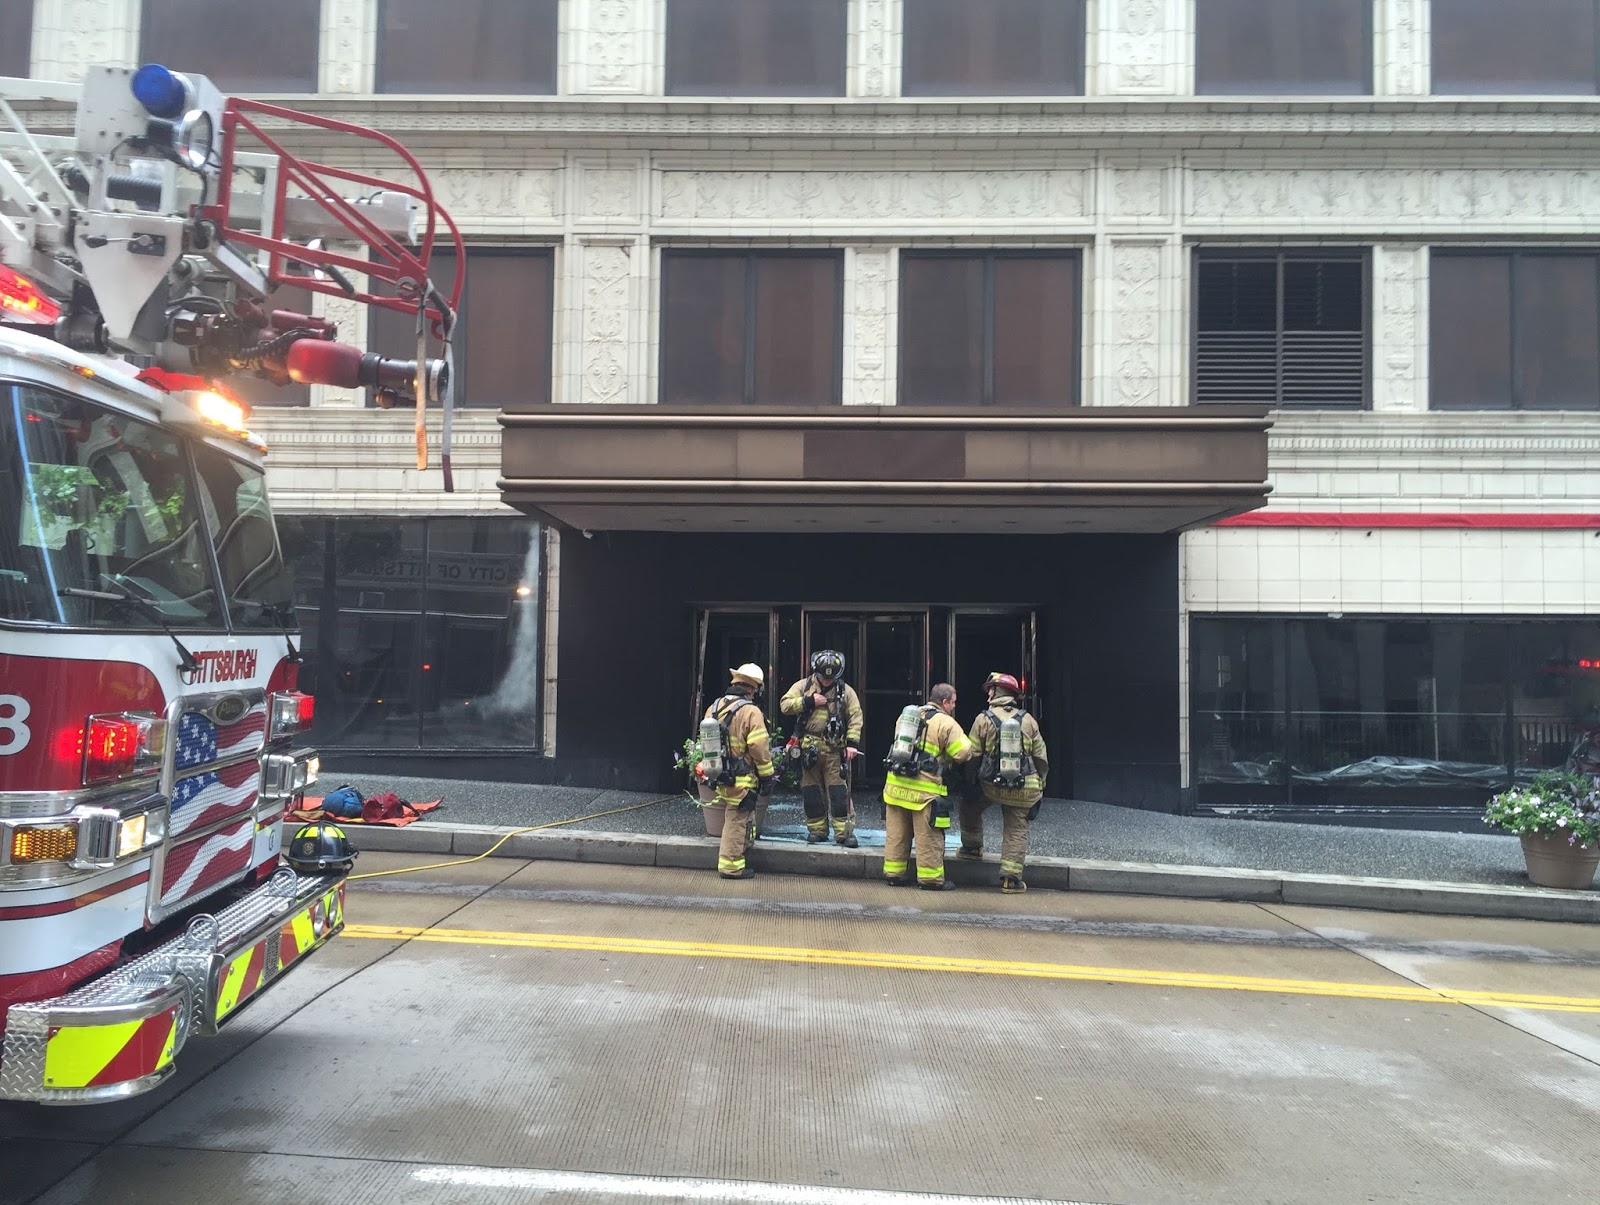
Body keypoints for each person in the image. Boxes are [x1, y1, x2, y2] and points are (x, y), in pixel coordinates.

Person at [959, 672, 1049, 894]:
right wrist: (1041, 782)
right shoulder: (1028, 720)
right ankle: (1011, 879)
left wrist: (970, 781)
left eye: (990, 689)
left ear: (995, 692)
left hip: (991, 786)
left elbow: (973, 755)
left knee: (969, 806)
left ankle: (972, 848)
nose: (988, 694)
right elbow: (1040, 756)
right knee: (1016, 828)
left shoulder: (983, 719)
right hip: (1024, 787)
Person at [881, 683, 973, 891]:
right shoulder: (945, 722)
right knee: (928, 838)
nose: (954, 707)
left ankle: (895, 875)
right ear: (945, 702)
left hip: (895, 787)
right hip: (923, 793)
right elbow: (963, 753)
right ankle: (930, 880)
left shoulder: (906, 717)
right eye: (953, 703)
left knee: (897, 835)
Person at [696, 663, 776, 880]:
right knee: (737, 818)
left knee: (743, 816)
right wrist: (767, 775)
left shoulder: (714, 707)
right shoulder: (751, 711)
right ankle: (731, 867)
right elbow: (758, 747)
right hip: (742, 778)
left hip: (720, 775)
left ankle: (742, 852)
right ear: (751, 688)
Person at [779, 649, 864, 846]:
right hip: (809, 750)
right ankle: (817, 830)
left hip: (835, 750)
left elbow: (855, 717)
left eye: (830, 678)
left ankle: (844, 833)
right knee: (812, 793)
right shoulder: (803, 686)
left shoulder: (846, 691)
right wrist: (808, 701)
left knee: (838, 793)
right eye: (823, 678)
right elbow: (785, 705)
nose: (826, 682)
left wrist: (852, 744)